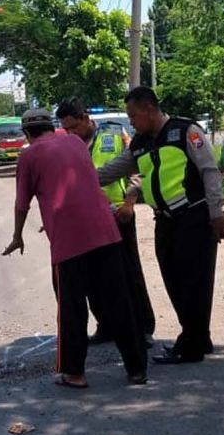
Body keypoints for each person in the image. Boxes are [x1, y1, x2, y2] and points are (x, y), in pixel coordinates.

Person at [3, 109, 148, 388]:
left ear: (26, 134)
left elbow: (22, 204)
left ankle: (75, 373)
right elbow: (84, 185)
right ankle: (137, 369)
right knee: (119, 301)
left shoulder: (29, 156)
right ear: (52, 126)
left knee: (71, 308)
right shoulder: (75, 143)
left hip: (69, 242)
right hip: (105, 231)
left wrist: (17, 236)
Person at [96, 86, 224, 365]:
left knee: (195, 284)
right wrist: (82, 179)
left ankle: (191, 345)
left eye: (133, 115)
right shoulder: (140, 143)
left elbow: (209, 171)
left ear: (148, 108)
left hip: (194, 218)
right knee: (174, 283)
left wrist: (217, 213)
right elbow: (113, 169)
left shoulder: (185, 131)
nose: (130, 122)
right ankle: (198, 338)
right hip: (165, 223)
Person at [56, 97, 157, 348]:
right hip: (87, 218)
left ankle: (142, 328)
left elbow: (137, 168)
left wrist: (130, 202)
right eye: (65, 129)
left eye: (73, 127)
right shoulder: (68, 144)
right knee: (94, 275)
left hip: (118, 214)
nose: (70, 133)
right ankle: (107, 326)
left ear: (85, 118)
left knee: (129, 272)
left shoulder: (115, 133)